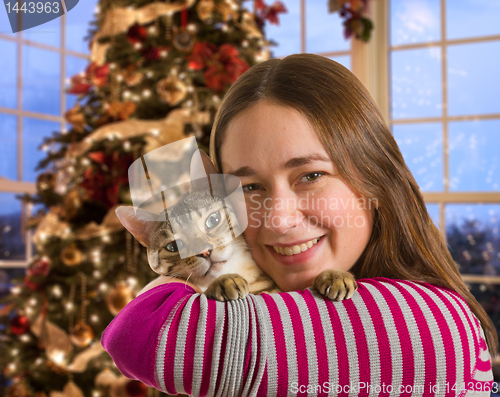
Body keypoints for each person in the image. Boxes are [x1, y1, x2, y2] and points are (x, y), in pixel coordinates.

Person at [101, 53, 497, 396]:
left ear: (375, 176)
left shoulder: (435, 327)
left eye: (310, 175)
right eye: (250, 187)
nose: (279, 218)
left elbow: (138, 331)